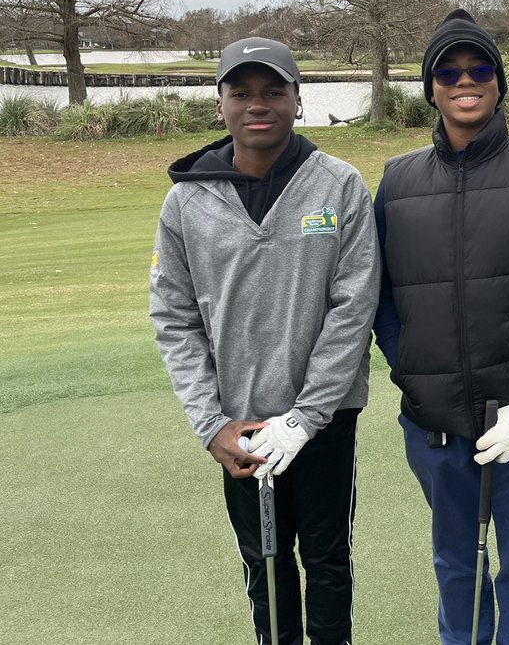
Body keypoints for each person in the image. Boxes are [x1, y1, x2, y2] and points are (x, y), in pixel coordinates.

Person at [373, 9, 509, 645]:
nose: (464, 81)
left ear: (498, 82)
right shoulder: (397, 181)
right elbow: (381, 294)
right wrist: (409, 371)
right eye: (448, 71)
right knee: (455, 569)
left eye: (478, 69)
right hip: (434, 422)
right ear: (430, 87)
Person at [150, 37, 381, 645]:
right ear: (220, 104)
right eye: (242, 92)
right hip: (240, 426)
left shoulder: (339, 186)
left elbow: (353, 308)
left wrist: (306, 417)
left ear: (298, 101)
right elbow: (175, 318)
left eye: (274, 91)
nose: (259, 104)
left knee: (329, 563)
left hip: (325, 420)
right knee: (265, 567)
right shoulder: (185, 201)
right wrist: (211, 425)